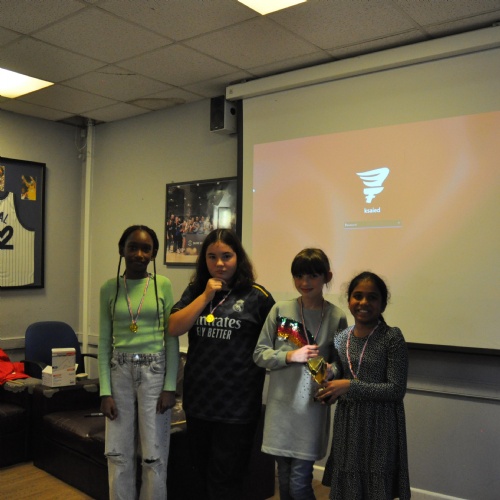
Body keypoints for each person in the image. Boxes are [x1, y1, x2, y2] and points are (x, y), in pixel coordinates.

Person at [168, 228, 275, 500]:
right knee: (200, 476)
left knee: (226, 480)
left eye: (226, 256)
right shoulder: (195, 290)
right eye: (212, 257)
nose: (219, 263)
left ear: (238, 258)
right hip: (199, 404)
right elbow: (174, 327)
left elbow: (283, 336)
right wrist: (205, 297)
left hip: (237, 408)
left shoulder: (257, 296)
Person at [254, 248, 347, 500]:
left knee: (298, 484)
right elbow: (259, 354)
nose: (305, 282)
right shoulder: (280, 310)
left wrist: (331, 370)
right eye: (299, 276)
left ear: (327, 277)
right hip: (280, 410)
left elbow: (341, 364)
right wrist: (290, 356)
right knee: (284, 480)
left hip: (311, 410)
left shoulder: (337, 316)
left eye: (313, 276)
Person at [98, 225, 179, 500]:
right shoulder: (109, 288)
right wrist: (105, 392)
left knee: (154, 455)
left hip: (154, 373)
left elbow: (171, 339)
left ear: (154, 253)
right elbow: (104, 342)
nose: (139, 254)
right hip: (118, 372)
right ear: (122, 250)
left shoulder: (162, 284)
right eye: (133, 247)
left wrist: (170, 386)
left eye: (146, 249)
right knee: (118, 453)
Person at [316, 271, 411, 500]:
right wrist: (330, 377)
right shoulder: (341, 337)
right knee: (347, 490)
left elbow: (396, 389)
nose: (364, 302)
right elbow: (343, 369)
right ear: (349, 300)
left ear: (383, 303)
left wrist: (349, 386)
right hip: (348, 424)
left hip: (380, 425)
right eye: (357, 296)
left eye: (372, 297)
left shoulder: (391, 337)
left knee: (376, 490)